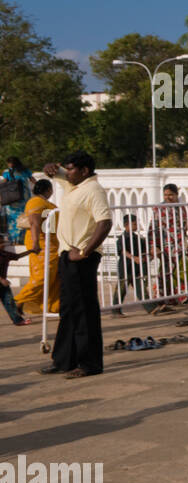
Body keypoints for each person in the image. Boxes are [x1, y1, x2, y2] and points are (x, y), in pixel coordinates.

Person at [38, 152, 111, 378]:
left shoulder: (93, 190)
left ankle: (89, 364)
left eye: (71, 169)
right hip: (66, 256)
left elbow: (105, 222)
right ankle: (64, 361)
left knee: (84, 312)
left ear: (84, 171)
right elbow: (55, 172)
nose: (67, 173)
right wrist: (52, 167)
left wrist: (85, 251)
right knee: (68, 310)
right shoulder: (74, 186)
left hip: (82, 258)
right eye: (67, 169)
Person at [13, 179, 59, 316]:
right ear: (49, 189)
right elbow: (34, 223)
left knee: (53, 277)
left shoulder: (46, 203)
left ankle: (52, 305)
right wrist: (35, 243)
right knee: (42, 277)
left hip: (51, 244)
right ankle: (17, 302)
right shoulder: (36, 202)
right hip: (41, 245)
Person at [148, 183, 188, 307]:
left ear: (176, 194)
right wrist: (153, 245)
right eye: (165, 195)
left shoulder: (181, 207)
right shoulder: (159, 208)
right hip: (166, 245)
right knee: (168, 271)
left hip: (180, 244)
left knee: (183, 269)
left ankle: (183, 297)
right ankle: (165, 299)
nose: (168, 197)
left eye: (171, 195)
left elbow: (182, 224)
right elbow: (153, 228)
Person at [113, 213, 147, 313]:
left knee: (141, 288)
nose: (136, 226)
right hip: (126, 267)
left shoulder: (137, 238)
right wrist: (134, 258)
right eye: (134, 224)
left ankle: (151, 307)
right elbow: (123, 251)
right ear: (126, 225)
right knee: (121, 290)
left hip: (136, 268)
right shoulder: (123, 238)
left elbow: (143, 249)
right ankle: (115, 310)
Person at [0, 242, 34, 325]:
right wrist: (1, 280)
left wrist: (30, 251)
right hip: (2, 281)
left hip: (3, 284)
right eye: (1, 243)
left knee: (9, 302)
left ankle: (18, 320)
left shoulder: (5, 254)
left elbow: (17, 256)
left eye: (3, 243)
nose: (3, 245)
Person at [2, 157, 34, 244]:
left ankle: (15, 240)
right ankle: (23, 240)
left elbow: (4, 184)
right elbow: (33, 180)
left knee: (13, 221)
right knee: (24, 218)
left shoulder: (7, 172)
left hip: (13, 199)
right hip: (24, 198)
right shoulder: (25, 171)